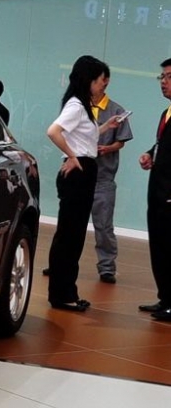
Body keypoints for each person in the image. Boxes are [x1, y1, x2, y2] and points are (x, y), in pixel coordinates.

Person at [45, 55, 119, 312]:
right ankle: (62, 294)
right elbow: (53, 131)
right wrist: (72, 156)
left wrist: (106, 126)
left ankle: (66, 292)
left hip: (84, 171)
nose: (102, 86)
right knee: (70, 236)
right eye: (100, 81)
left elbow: (85, 136)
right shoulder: (76, 105)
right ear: (89, 80)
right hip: (79, 172)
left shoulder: (83, 105)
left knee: (72, 235)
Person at [90, 68, 132, 284]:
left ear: (105, 81)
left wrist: (107, 149)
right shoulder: (79, 107)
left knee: (104, 227)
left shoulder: (116, 110)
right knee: (71, 224)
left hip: (103, 178)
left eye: (96, 79)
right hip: (80, 175)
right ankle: (62, 264)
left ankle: (107, 267)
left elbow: (121, 142)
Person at [138, 58, 171, 322]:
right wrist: (150, 154)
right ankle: (165, 297)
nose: (163, 82)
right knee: (160, 248)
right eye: (162, 77)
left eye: (169, 77)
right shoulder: (166, 113)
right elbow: (163, 146)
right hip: (158, 192)